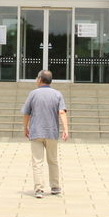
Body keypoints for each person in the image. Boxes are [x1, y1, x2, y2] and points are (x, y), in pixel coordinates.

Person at [21, 70, 70, 198]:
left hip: (36, 132)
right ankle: (55, 187)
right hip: (52, 132)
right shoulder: (57, 94)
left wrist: (25, 127)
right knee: (53, 160)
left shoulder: (33, 94)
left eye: (37, 78)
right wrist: (66, 129)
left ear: (40, 80)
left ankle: (39, 189)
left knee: (37, 161)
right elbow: (62, 113)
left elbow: (26, 113)